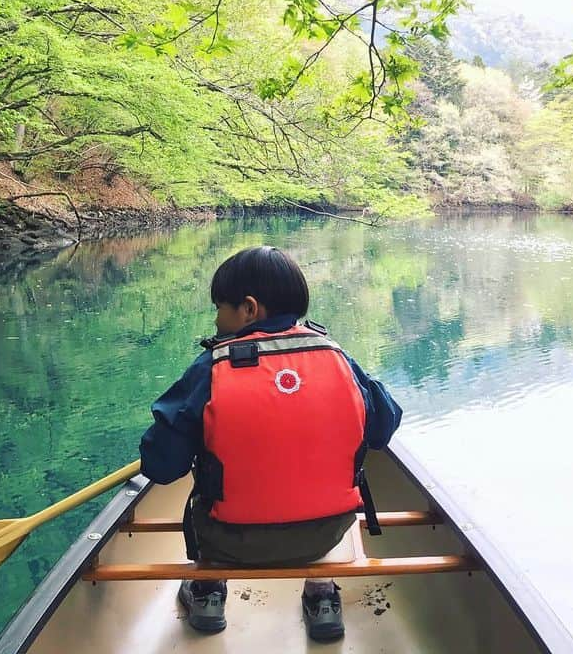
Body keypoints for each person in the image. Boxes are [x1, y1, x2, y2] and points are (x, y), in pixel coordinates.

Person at [139, 245, 402, 642]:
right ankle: (322, 595)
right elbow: (384, 426)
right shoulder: (337, 358)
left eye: (219, 307)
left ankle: (208, 589)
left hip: (230, 540)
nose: (215, 318)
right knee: (341, 500)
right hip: (326, 534)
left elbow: (161, 466)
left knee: (202, 495)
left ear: (248, 309)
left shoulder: (212, 367)